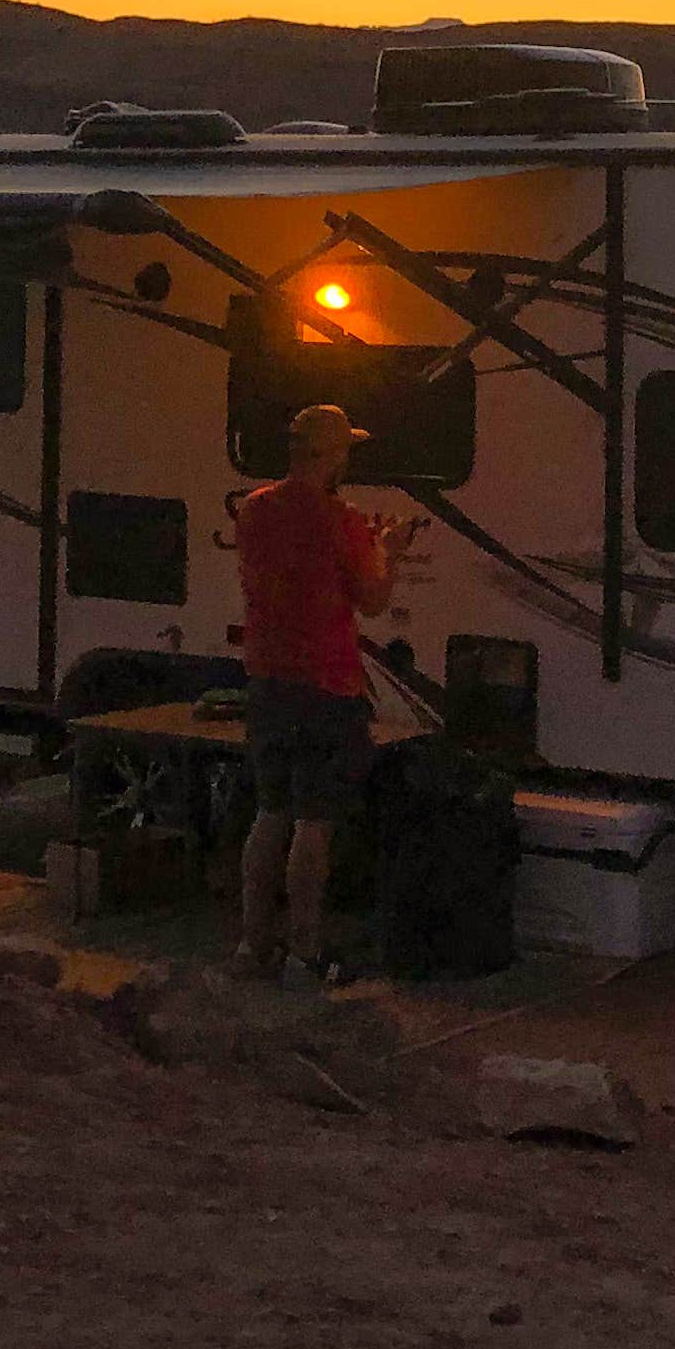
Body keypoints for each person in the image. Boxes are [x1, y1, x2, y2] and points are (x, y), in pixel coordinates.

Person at [236, 401, 423, 982]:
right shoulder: (339, 519)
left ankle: (251, 946)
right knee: (314, 825)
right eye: (346, 451)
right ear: (332, 455)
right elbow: (371, 599)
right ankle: (304, 951)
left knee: (270, 814)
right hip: (326, 685)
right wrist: (387, 553)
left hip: (267, 679)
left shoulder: (254, 509)